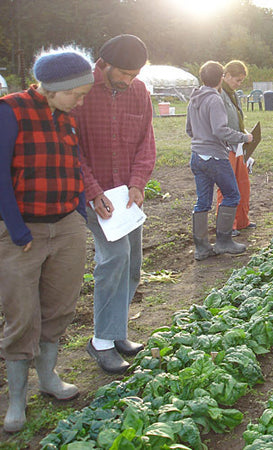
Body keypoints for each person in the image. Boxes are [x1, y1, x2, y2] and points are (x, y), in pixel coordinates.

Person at [0, 47, 94, 433]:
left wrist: (81, 211)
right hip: (23, 232)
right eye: (76, 93)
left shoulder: (65, 118)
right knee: (22, 315)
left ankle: (50, 379)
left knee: (59, 308)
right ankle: (17, 398)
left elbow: (71, 165)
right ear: (53, 87)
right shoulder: (10, 110)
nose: (80, 100)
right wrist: (17, 229)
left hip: (66, 226)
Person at [72, 34, 156, 374]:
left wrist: (138, 183)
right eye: (123, 73)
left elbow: (145, 142)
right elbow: (71, 149)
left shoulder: (138, 92)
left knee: (133, 261)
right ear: (103, 64)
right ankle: (101, 342)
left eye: (134, 74)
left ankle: (117, 330)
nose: (129, 80)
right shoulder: (79, 92)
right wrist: (92, 191)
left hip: (125, 197)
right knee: (115, 257)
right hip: (94, 194)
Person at [186, 61, 252, 260]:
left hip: (197, 156)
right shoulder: (215, 99)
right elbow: (220, 130)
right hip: (215, 156)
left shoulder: (194, 98)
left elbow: (189, 130)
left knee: (203, 201)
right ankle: (224, 241)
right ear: (221, 76)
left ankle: (202, 247)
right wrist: (244, 137)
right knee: (232, 195)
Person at [215, 60, 256, 237]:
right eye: (237, 80)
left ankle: (241, 221)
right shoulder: (219, 94)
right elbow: (220, 126)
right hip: (225, 147)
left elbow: (236, 120)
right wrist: (241, 136)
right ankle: (226, 226)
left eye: (241, 81)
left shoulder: (233, 94)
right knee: (227, 187)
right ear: (227, 75)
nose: (239, 84)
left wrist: (244, 134)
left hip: (238, 146)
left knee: (242, 184)